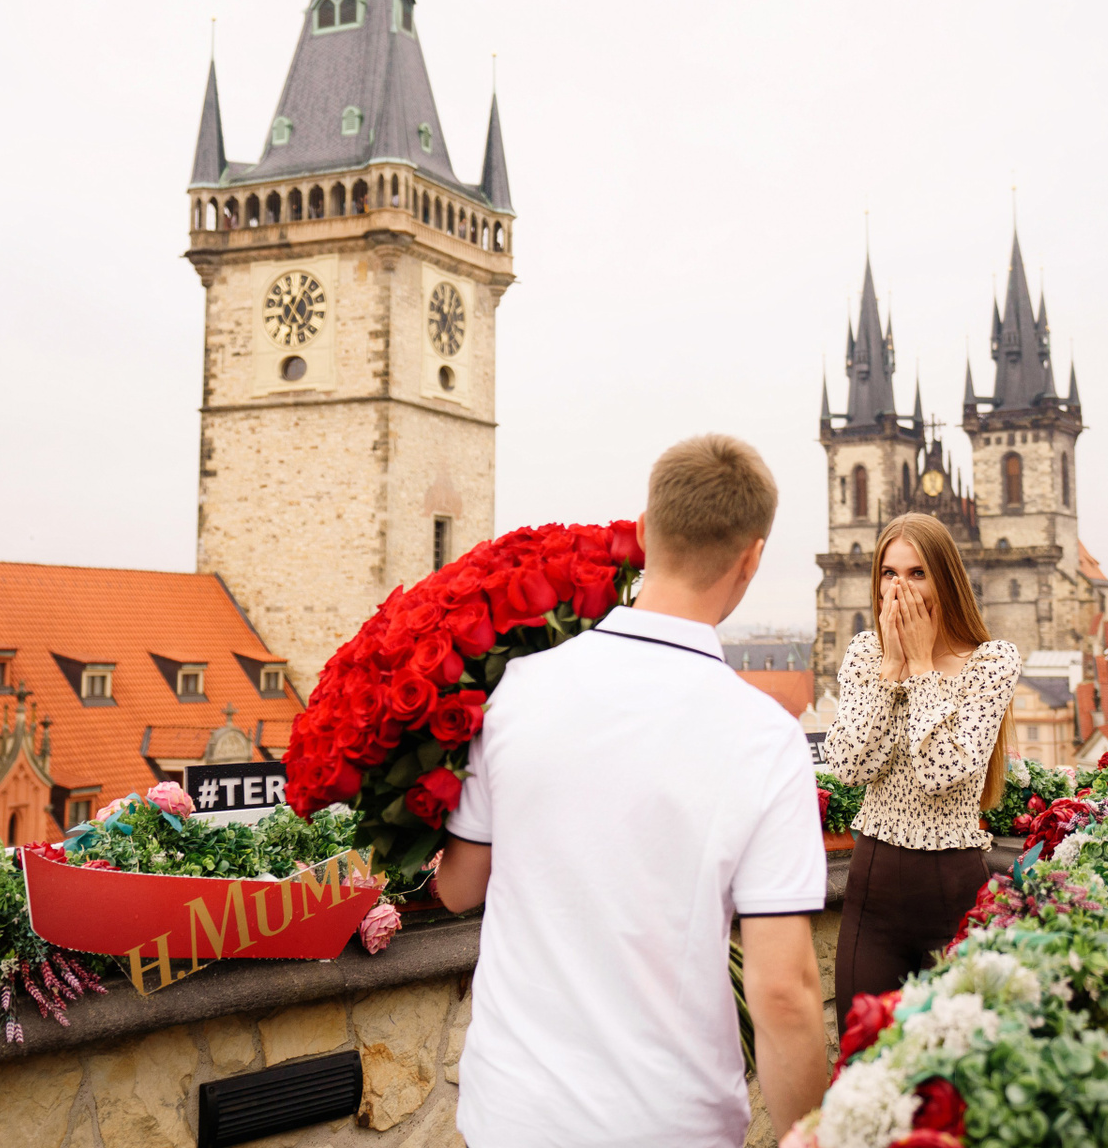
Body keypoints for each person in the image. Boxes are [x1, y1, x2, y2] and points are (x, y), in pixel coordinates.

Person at [437, 434, 828, 1148]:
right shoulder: (765, 740)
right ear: (752, 559)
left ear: (644, 532)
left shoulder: (518, 690)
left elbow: (459, 889)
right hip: (661, 1122)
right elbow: (782, 992)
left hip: (511, 1111)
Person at [823, 512, 1019, 1026]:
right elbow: (848, 765)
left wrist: (922, 668)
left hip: (951, 890)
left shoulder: (991, 662)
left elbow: (941, 772)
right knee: (862, 1049)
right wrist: (891, 669)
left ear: (945, 579)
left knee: (954, 1058)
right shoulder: (867, 653)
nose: (901, 589)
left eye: (917, 574)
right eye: (889, 573)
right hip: (872, 890)